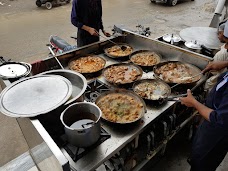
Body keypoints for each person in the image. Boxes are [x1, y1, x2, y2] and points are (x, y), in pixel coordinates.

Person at [180, 60, 228, 171]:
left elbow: (220, 120)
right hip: (210, 124)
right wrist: (226, 64)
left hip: (218, 134)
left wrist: (194, 103)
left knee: (204, 162)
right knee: (198, 152)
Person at [204, 21, 228, 91]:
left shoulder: (222, 54)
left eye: (220, 33)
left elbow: (213, 70)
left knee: (208, 85)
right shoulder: (224, 48)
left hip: (219, 80)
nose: (218, 35)